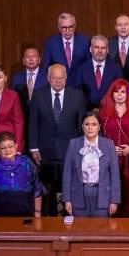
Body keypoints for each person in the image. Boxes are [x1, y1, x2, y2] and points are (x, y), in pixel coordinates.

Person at [28, 64, 87, 216]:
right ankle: (49, 218)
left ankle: (67, 217)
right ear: (48, 78)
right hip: (44, 152)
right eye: (54, 78)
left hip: (69, 150)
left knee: (68, 186)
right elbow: (33, 122)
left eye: (61, 78)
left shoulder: (77, 95)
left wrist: (80, 148)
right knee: (48, 188)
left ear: (66, 78)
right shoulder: (38, 94)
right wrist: (33, 148)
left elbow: (82, 124)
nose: (58, 81)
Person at [99, 79, 129, 217]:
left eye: (123, 92)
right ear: (112, 93)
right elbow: (99, 135)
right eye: (116, 91)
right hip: (110, 156)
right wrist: (109, 148)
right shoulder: (104, 111)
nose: (119, 95)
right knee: (111, 185)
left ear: (128, 94)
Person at [62, 112, 120, 217]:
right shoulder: (73, 144)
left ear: (99, 127)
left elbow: (115, 175)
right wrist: (67, 199)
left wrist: (114, 200)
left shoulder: (109, 144)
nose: (90, 128)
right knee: (79, 229)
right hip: (78, 196)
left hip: (102, 196)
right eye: (87, 124)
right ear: (82, 126)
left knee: (101, 230)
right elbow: (67, 174)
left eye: (94, 124)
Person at [0, 132, 44, 217]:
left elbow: (37, 189)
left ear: (16, 146)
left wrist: (37, 212)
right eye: (3, 148)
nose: (7, 150)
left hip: (26, 215)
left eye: (10, 146)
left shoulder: (27, 163)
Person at [70, 35, 124, 110]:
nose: (100, 51)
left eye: (103, 48)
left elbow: (119, 91)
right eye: (96, 47)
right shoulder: (81, 69)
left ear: (107, 50)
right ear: (90, 49)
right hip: (87, 112)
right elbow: (77, 93)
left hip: (110, 111)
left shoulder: (116, 69)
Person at [41, 12, 91, 80]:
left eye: (70, 27)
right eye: (64, 27)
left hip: (80, 85)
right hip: (58, 86)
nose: (67, 31)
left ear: (75, 26)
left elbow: (89, 66)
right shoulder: (51, 43)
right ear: (59, 27)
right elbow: (45, 69)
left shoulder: (85, 41)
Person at [10, 45, 48, 116]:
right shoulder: (16, 78)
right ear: (23, 61)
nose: (31, 59)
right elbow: (13, 100)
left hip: (42, 117)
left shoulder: (47, 77)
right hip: (22, 117)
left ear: (39, 60)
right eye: (28, 57)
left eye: (34, 56)